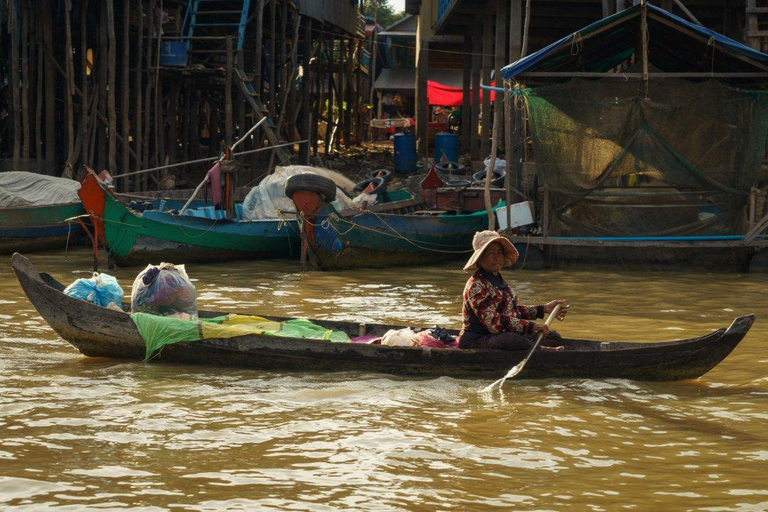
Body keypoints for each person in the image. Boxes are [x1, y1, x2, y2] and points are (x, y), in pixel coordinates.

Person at [458, 230, 568, 351]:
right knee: (512, 340)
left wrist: (543, 309)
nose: (496, 257)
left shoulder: (500, 282)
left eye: (499, 253)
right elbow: (493, 322)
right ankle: (541, 349)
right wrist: (531, 326)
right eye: (490, 253)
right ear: (479, 258)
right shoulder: (476, 285)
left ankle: (537, 348)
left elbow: (513, 310)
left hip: (500, 335)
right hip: (478, 340)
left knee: (553, 337)